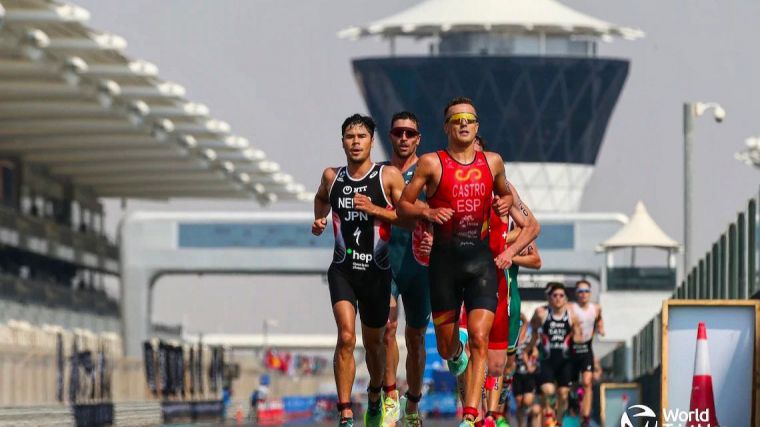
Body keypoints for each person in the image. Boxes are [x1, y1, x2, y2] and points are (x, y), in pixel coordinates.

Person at [397, 97, 540, 427]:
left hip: (482, 265)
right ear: (446, 126)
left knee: (480, 339)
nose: (463, 124)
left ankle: (473, 415)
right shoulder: (432, 164)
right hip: (444, 265)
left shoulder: (493, 163)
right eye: (456, 119)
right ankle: (456, 359)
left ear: (477, 127)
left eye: (469, 120)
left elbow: (508, 197)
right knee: (449, 347)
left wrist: (505, 211)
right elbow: (404, 206)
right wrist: (427, 211)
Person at [312, 114, 408, 427]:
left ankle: (375, 395)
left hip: (377, 273)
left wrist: (375, 209)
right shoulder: (332, 176)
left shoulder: (388, 176)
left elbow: (407, 217)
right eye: (350, 137)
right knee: (345, 337)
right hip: (343, 270)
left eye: (362, 136)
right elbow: (320, 198)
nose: (356, 142)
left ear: (370, 141)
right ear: (342, 142)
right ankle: (345, 413)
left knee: (375, 345)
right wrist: (320, 219)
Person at [381, 111, 432, 427]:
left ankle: (412, 401)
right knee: (387, 328)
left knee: (415, 338)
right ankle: (389, 398)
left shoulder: (427, 171)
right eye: (398, 132)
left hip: (419, 265)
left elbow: (443, 211)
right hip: (385, 260)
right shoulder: (379, 174)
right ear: (390, 136)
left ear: (418, 139)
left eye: (409, 133)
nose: (403, 138)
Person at [528, 283, 581, 427]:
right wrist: (531, 349)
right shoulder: (542, 313)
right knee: (548, 390)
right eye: (555, 295)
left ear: (566, 299)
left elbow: (578, 339)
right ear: (549, 298)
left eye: (561, 296)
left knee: (563, 395)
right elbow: (532, 329)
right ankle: (549, 413)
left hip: (565, 361)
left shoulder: (572, 316)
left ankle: (559, 422)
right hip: (547, 359)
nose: (558, 298)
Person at [569, 280, 605, 427]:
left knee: (587, 382)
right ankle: (574, 401)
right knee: (570, 384)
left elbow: (599, 320)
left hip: (586, 349)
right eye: (580, 291)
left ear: (590, 293)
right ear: (576, 294)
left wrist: (601, 328)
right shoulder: (570, 307)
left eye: (586, 291)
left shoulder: (596, 308)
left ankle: (585, 417)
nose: (583, 294)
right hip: (571, 350)